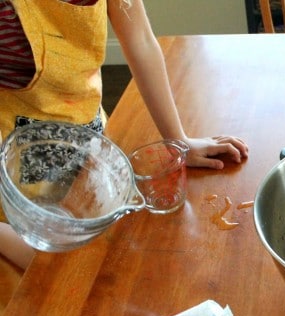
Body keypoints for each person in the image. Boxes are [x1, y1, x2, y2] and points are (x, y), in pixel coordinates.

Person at [0, 0, 249, 271]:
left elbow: (140, 41)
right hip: (15, 186)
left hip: (89, 144)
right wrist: (33, 249)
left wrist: (179, 140)